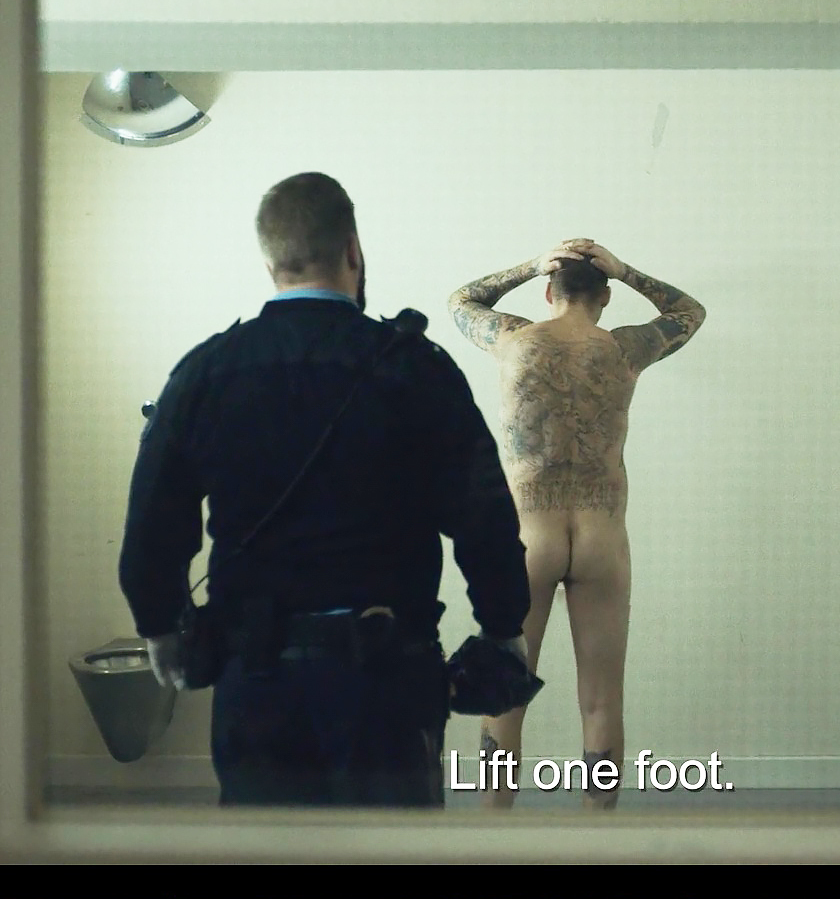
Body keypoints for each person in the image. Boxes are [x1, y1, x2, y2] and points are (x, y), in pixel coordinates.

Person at [117, 171, 533, 808]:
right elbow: (484, 516)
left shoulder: (207, 370)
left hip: (255, 678)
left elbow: (151, 521)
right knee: (390, 851)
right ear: (353, 250)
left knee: (266, 850)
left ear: (270, 262)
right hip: (387, 682)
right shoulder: (415, 367)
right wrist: (503, 628)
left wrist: (160, 625)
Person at [448, 238, 706, 808]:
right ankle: (597, 835)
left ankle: (492, 831)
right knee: (602, 700)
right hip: (600, 538)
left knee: (504, 695)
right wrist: (627, 269)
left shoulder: (514, 340)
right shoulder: (625, 348)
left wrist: (529, 263)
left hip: (528, 539)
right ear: (605, 297)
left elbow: (462, 301)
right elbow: (690, 311)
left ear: (548, 291)